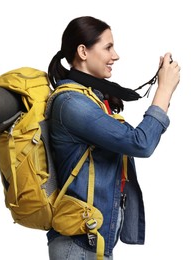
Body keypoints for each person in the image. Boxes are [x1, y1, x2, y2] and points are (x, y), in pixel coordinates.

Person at [46, 16, 180, 260]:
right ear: (83, 51)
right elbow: (140, 142)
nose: (115, 55)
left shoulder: (92, 99)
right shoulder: (72, 103)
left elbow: (133, 139)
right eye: (108, 47)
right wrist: (164, 90)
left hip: (92, 243)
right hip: (77, 245)